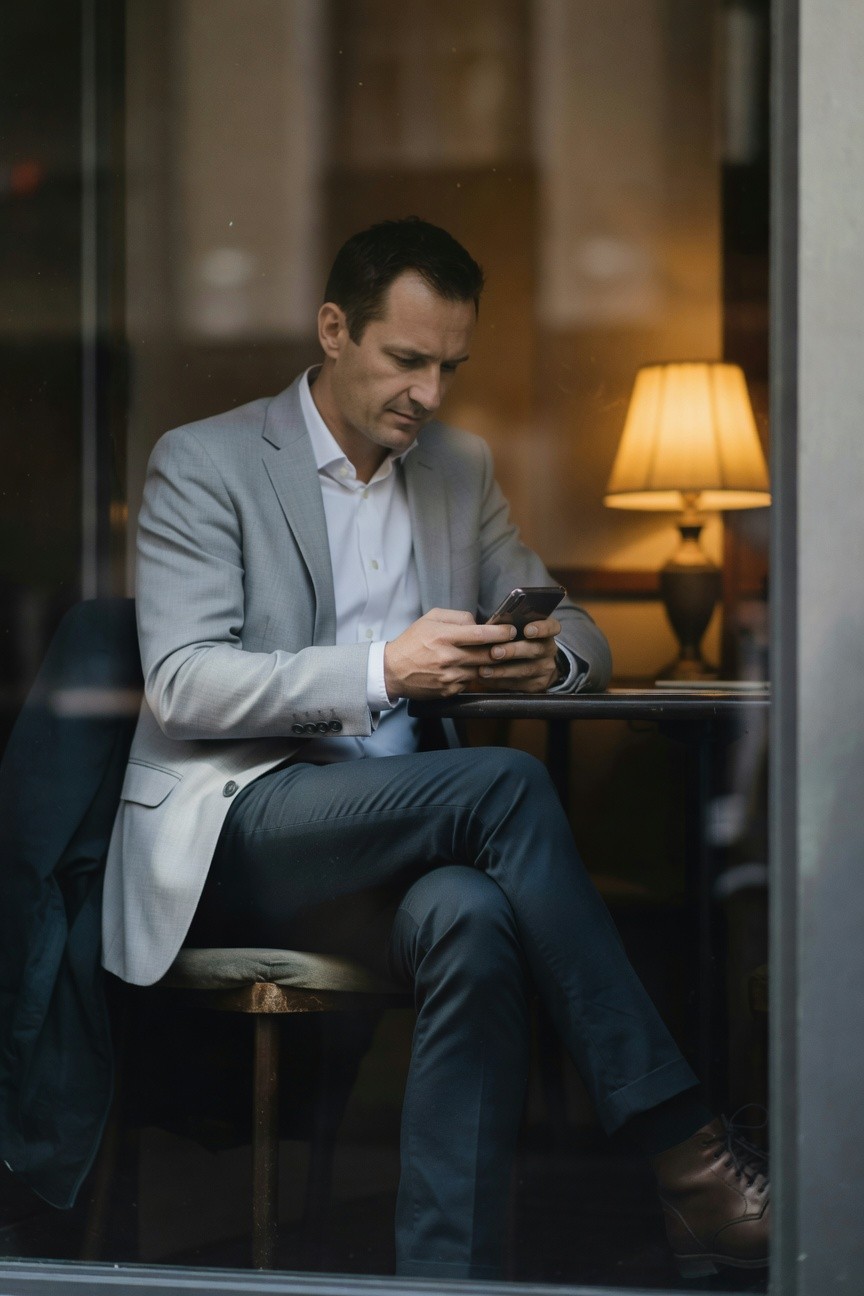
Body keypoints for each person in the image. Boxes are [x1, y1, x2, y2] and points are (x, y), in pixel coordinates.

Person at [103, 217, 769, 1280]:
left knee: (473, 917)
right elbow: (183, 685)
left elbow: (582, 634)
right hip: (247, 826)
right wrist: (383, 672)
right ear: (333, 329)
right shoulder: (207, 461)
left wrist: (539, 666)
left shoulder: (458, 470)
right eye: (406, 360)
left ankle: (442, 1277)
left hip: (403, 834)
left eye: (450, 366)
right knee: (503, 788)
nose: (431, 394)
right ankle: (686, 1158)